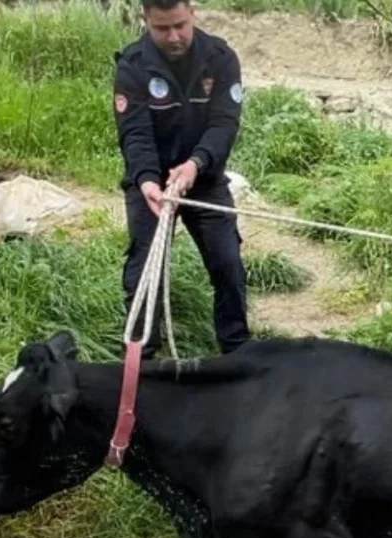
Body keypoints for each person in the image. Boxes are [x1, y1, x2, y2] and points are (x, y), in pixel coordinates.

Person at [113, 0, 249, 359]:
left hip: (203, 177)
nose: (173, 37)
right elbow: (135, 135)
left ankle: (238, 354)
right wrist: (145, 181)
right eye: (162, 29)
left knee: (228, 262)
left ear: (192, 12)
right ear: (146, 20)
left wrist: (195, 164)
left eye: (179, 26)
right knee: (145, 270)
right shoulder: (133, 66)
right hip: (152, 184)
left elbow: (224, 124)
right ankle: (141, 364)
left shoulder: (220, 58)